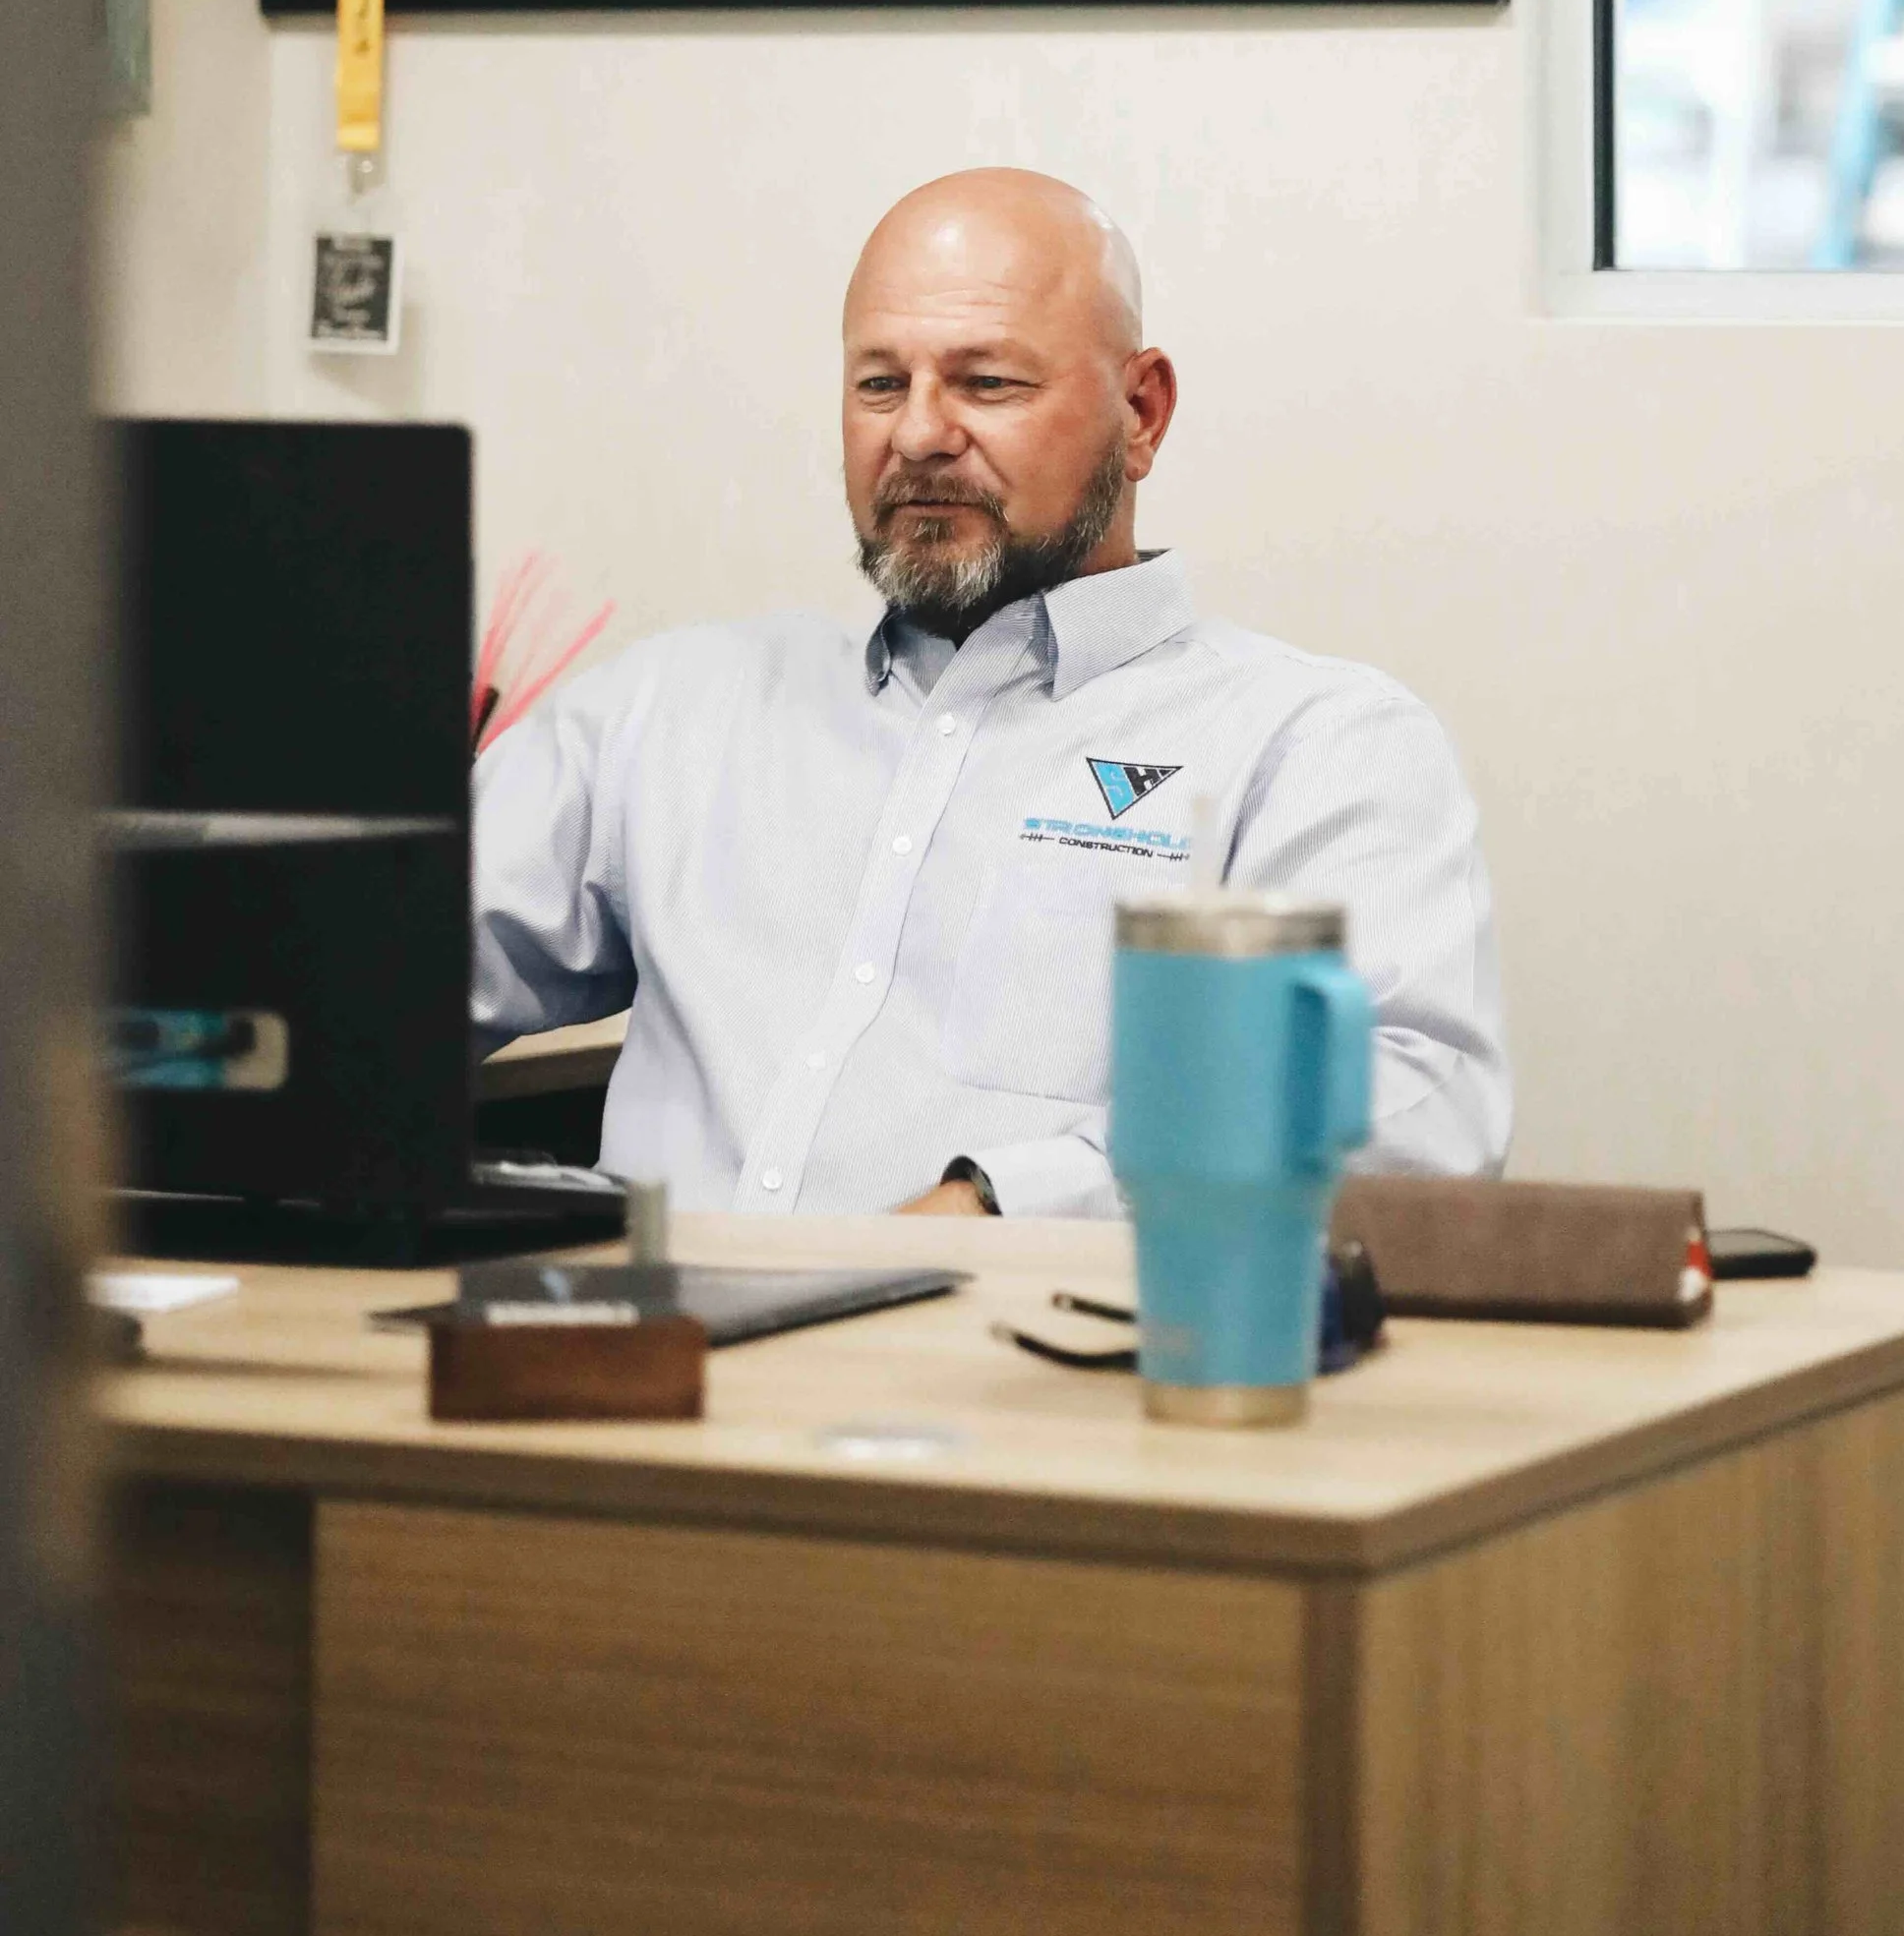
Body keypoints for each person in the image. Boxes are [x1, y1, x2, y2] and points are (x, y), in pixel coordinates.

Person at [472, 168, 1509, 1217]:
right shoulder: (670, 711)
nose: (918, 434)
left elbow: (1421, 1108)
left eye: (986, 384)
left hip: (1003, 1357)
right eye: (880, 384)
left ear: (1140, 412)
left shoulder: (1308, 746)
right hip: (625, 1351)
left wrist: (1006, 1206)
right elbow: (369, 973)